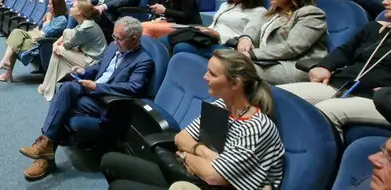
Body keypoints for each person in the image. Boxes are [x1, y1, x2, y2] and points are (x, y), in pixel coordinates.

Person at [100, 49, 284, 190]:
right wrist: (204, 153)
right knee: (110, 161)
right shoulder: (220, 105)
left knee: (120, 187)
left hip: (209, 184)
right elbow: (181, 138)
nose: (205, 77)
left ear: (235, 84)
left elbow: (212, 176)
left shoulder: (256, 127)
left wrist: (186, 155)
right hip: (194, 177)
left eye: (212, 74)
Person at [19, 17, 154, 181]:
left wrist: (97, 87)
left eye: (119, 38)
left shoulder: (144, 61)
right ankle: (46, 145)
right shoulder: (114, 46)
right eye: (114, 36)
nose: (114, 41)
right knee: (66, 89)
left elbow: (133, 88)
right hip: (92, 92)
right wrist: (84, 71)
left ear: (134, 40)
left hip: (107, 102)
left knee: (63, 106)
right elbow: (100, 68)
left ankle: (45, 151)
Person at [280, 0, 391, 129]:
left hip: (380, 100)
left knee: (324, 110)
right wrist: (325, 66)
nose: (385, 2)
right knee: (274, 96)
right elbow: (346, 51)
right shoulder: (374, 28)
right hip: (342, 85)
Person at [236, 0, 328, 84]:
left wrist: (253, 54)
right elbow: (254, 25)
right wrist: (246, 38)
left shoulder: (310, 13)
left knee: (236, 69)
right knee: (225, 60)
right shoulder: (275, 10)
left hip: (292, 65)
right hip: (267, 60)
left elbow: (292, 47)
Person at [171, 0, 266, 58]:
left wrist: (218, 35)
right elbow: (215, 26)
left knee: (182, 47)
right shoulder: (225, 5)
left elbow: (248, 38)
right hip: (209, 40)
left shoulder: (258, 12)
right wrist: (205, 30)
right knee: (172, 40)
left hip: (229, 47)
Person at [37, 0, 107, 102]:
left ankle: (46, 87)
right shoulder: (85, 23)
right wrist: (55, 43)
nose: (70, 8)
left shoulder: (85, 27)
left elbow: (67, 44)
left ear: (80, 12)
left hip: (93, 62)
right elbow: (69, 34)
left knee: (59, 50)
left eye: (73, 7)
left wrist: (57, 45)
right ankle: (46, 87)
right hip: (88, 57)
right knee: (58, 53)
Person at [0, 0, 69, 82]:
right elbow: (40, 27)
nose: (48, 6)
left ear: (57, 6)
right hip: (36, 35)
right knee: (15, 36)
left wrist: (48, 20)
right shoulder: (53, 16)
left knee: (14, 41)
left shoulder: (62, 19)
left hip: (42, 42)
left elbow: (48, 33)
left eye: (50, 4)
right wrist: (44, 21)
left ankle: (7, 71)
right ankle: (6, 65)